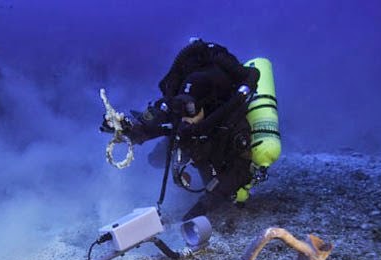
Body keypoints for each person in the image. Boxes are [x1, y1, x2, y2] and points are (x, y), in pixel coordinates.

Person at [101, 38, 271, 220]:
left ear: (205, 105)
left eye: (191, 110)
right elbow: (153, 126)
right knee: (155, 159)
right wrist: (126, 130)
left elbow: (240, 169)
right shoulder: (179, 108)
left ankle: (222, 187)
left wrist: (204, 205)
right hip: (196, 141)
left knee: (226, 194)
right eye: (181, 110)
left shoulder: (230, 118)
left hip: (219, 145)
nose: (185, 119)